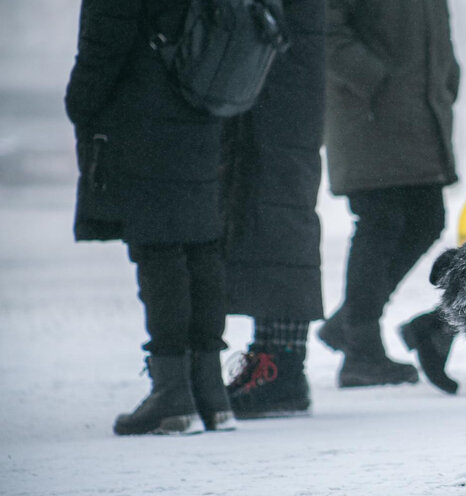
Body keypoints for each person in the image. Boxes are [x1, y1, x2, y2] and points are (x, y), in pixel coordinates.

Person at [65, 0, 234, 435]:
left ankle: (173, 394)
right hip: (204, 99)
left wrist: (80, 100)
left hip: (144, 110)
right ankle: (211, 392)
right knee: (201, 244)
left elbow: (105, 41)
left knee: (159, 248)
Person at [316, 0, 462, 389]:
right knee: (380, 222)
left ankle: (348, 324)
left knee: (427, 219)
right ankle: (361, 351)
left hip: (416, 110)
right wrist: (373, 78)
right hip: (370, 111)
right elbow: (324, 28)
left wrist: (447, 77)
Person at [220, 0, 326, 419]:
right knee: (274, 216)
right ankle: (274, 360)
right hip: (279, 85)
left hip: (277, 85)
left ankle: (279, 366)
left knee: (278, 217)